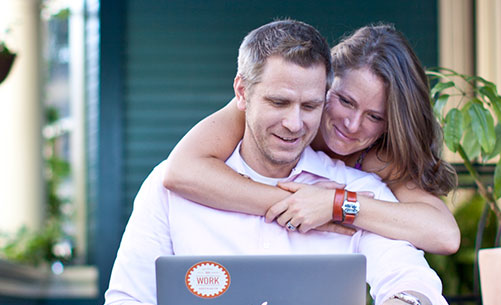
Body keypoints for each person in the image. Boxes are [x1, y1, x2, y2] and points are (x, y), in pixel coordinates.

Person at [62, 20, 464, 305]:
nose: (295, 123)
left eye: (311, 106)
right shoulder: (173, 182)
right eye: (278, 102)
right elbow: (125, 302)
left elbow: (408, 270)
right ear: (242, 92)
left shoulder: (357, 189)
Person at [163, 24, 460, 255]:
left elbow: (443, 234)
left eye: (375, 117)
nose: (352, 125)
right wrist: (295, 202)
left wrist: (336, 204)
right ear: (325, 84)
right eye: (345, 100)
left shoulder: (376, 158)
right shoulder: (269, 108)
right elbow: (181, 171)